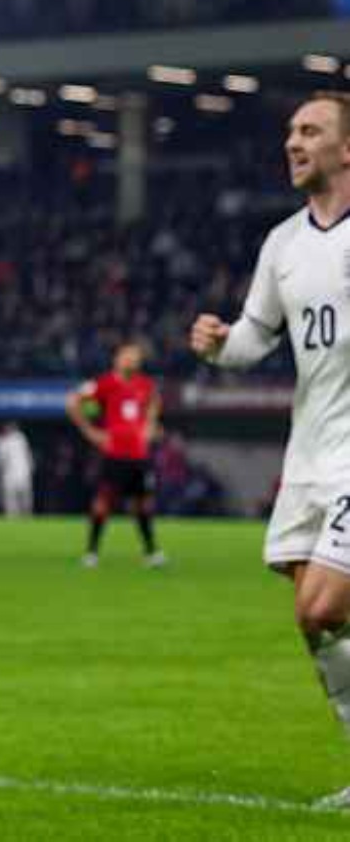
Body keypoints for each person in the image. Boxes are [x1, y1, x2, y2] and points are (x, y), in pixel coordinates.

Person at [190, 91, 350, 810]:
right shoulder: (283, 244)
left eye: (311, 131)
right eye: (291, 130)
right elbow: (258, 339)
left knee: (319, 609)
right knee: (316, 618)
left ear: (346, 149)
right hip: (308, 452)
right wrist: (222, 344)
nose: (293, 141)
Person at [65, 341, 166, 568]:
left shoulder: (145, 385)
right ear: (117, 359)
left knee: (144, 505)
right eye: (128, 355)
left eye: (136, 356)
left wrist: (150, 426)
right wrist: (91, 432)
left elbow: (155, 404)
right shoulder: (103, 384)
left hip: (139, 455)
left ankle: (151, 553)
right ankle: (91, 553)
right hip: (114, 454)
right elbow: (72, 402)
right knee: (103, 503)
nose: (132, 360)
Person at [0, 421, 34, 517]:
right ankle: (12, 521)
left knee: (26, 502)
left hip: (23, 473)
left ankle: (27, 521)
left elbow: (27, 455)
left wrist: (30, 468)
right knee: (10, 503)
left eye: (11, 427)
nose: (9, 429)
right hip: (8, 476)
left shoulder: (20, 438)